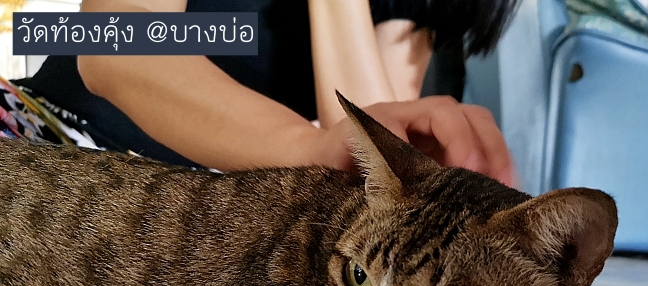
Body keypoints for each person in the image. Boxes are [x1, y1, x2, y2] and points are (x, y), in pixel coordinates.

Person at [4, 0, 518, 186]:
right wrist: (306, 145)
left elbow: (374, 147)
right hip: (50, 129)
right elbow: (112, 42)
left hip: (202, 203)